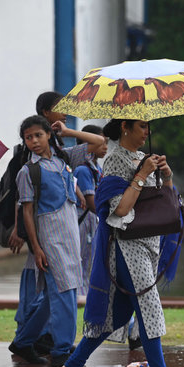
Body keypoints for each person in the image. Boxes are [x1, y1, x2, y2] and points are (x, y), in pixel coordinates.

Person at [51, 119, 184, 367]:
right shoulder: (115, 159)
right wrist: (141, 174)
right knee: (150, 310)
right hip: (127, 248)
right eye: (142, 126)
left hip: (148, 244)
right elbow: (118, 209)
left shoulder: (143, 157)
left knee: (114, 316)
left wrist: (166, 177)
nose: (147, 132)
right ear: (126, 127)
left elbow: (158, 203)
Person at [9, 115, 104, 367]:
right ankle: (62, 350)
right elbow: (27, 212)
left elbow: (99, 142)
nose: (33, 141)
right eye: (28, 138)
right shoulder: (28, 171)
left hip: (71, 233)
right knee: (65, 293)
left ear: (49, 135)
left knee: (56, 295)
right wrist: (36, 248)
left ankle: (23, 341)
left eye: (38, 135)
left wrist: (68, 130)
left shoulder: (65, 158)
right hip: (49, 237)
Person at [74, 125, 107, 296]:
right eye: (101, 143)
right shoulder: (82, 169)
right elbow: (91, 203)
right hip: (84, 221)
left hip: (93, 222)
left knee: (92, 260)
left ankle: (87, 294)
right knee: (83, 260)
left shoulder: (97, 169)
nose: (105, 147)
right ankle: (81, 295)